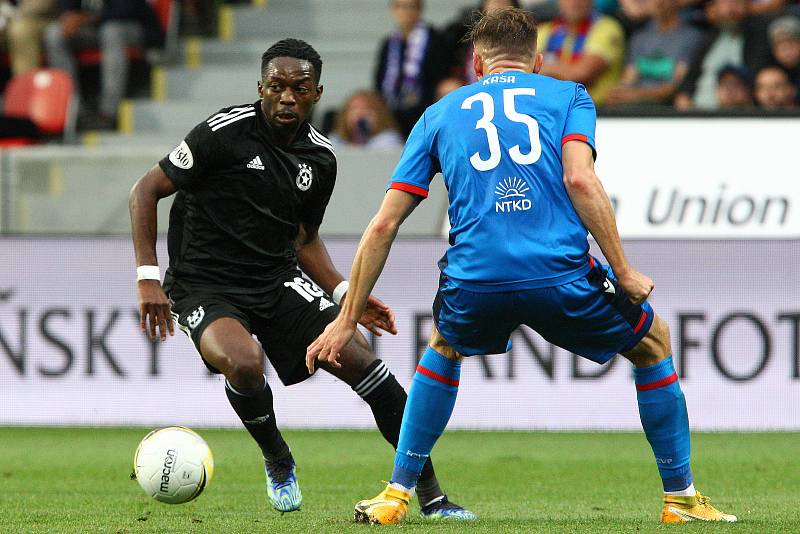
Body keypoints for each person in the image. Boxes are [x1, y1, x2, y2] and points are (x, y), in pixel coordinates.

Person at [307, 8, 737, 526]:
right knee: (654, 344)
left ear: (476, 63)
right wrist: (622, 269)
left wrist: (346, 318)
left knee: (443, 348)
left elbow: (382, 226)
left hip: (474, 278)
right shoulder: (569, 96)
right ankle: (681, 499)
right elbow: (581, 181)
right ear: (537, 59)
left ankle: (396, 494)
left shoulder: (440, 113)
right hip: (560, 273)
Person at [128, 38, 474, 520]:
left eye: (299, 88)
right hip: (204, 282)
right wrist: (148, 278)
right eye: (276, 86)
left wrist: (345, 294)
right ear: (261, 89)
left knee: (367, 367)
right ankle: (277, 457)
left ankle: (433, 497)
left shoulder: (320, 159)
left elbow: (304, 239)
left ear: (316, 94)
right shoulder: (221, 132)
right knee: (244, 364)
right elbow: (145, 190)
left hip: (275, 279)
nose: (286, 97)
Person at [44, 0, 164, 130]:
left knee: (111, 32)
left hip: (132, 25)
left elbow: (125, 10)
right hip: (93, 28)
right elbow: (67, 5)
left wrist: (84, 19)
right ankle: (73, 112)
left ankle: (108, 113)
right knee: (54, 33)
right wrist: (68, 16)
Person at [673, 0, 770, 110]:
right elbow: (689, 77)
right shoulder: (708, 37)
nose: (731, 9)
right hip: (697, 114)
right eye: (726, 3)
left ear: (748, 5)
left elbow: (757, 81)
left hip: (737, 114)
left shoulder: (759, 37)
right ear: (715, 7)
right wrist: (683, 97)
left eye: (737, 3)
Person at [606, 0, 702, 106]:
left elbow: (676, 86)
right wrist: (619, 92)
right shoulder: (640, 37)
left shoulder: (691, 37)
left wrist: (636, 95)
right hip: (635, 104)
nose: (658, 2)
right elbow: (629, 77)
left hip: (665, 108)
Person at [374, 0, 448, 137]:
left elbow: (438, 76)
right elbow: (379, 79)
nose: (406, 12)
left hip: (425, 110)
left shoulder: (435, 39)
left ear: (419, 10)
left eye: (411, 7)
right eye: (401, 7)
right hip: (392, 110)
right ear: (393, 10)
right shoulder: (388, 43)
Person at [536, 0, 625, 106]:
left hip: (598, 113)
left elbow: (580, 74)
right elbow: (527, 70)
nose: (574, 2)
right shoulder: (544, 30)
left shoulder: (607, 28)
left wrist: (544, 67)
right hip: (553, 111)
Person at [328, 90, 404, 149]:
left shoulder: (389, 140)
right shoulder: (334, 141)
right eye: (354, 109)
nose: (360, 114)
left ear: (379, 115)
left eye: (367, 109)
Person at [1, 0, 56, 76]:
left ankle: (25, 84)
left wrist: (15, 11)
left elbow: (43, 5)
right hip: (6, 18)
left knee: (20, 30)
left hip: (38, 18)